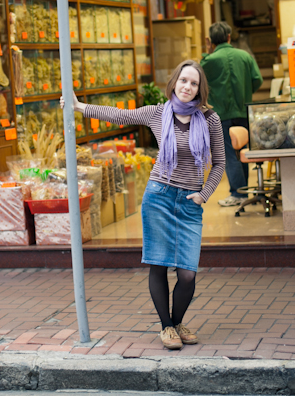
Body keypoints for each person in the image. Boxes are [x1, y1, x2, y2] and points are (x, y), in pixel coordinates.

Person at [61, 60, 225, 350]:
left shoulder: (209, 118)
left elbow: (220, 163)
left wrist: (204, 194)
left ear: (201, 89)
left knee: (187, 273)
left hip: (189, 202)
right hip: (159, 196)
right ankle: (167, 327)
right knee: (159, 265)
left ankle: (175, 322)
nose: (187, 87)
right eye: (183, 80)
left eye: (194, 83)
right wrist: (80, 107)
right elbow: (119, 115)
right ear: (174, 82)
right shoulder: (158, 113)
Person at [200, 21, 262, 207]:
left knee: (228, 154)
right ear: (229, 37)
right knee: (241, 150)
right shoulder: (245, 56)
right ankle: (243, 190)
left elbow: (198, 85)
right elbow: (257, 80)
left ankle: (238, 193)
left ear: (210, 41)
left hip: (220, 114)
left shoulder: (208, 61)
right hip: (244, 111)